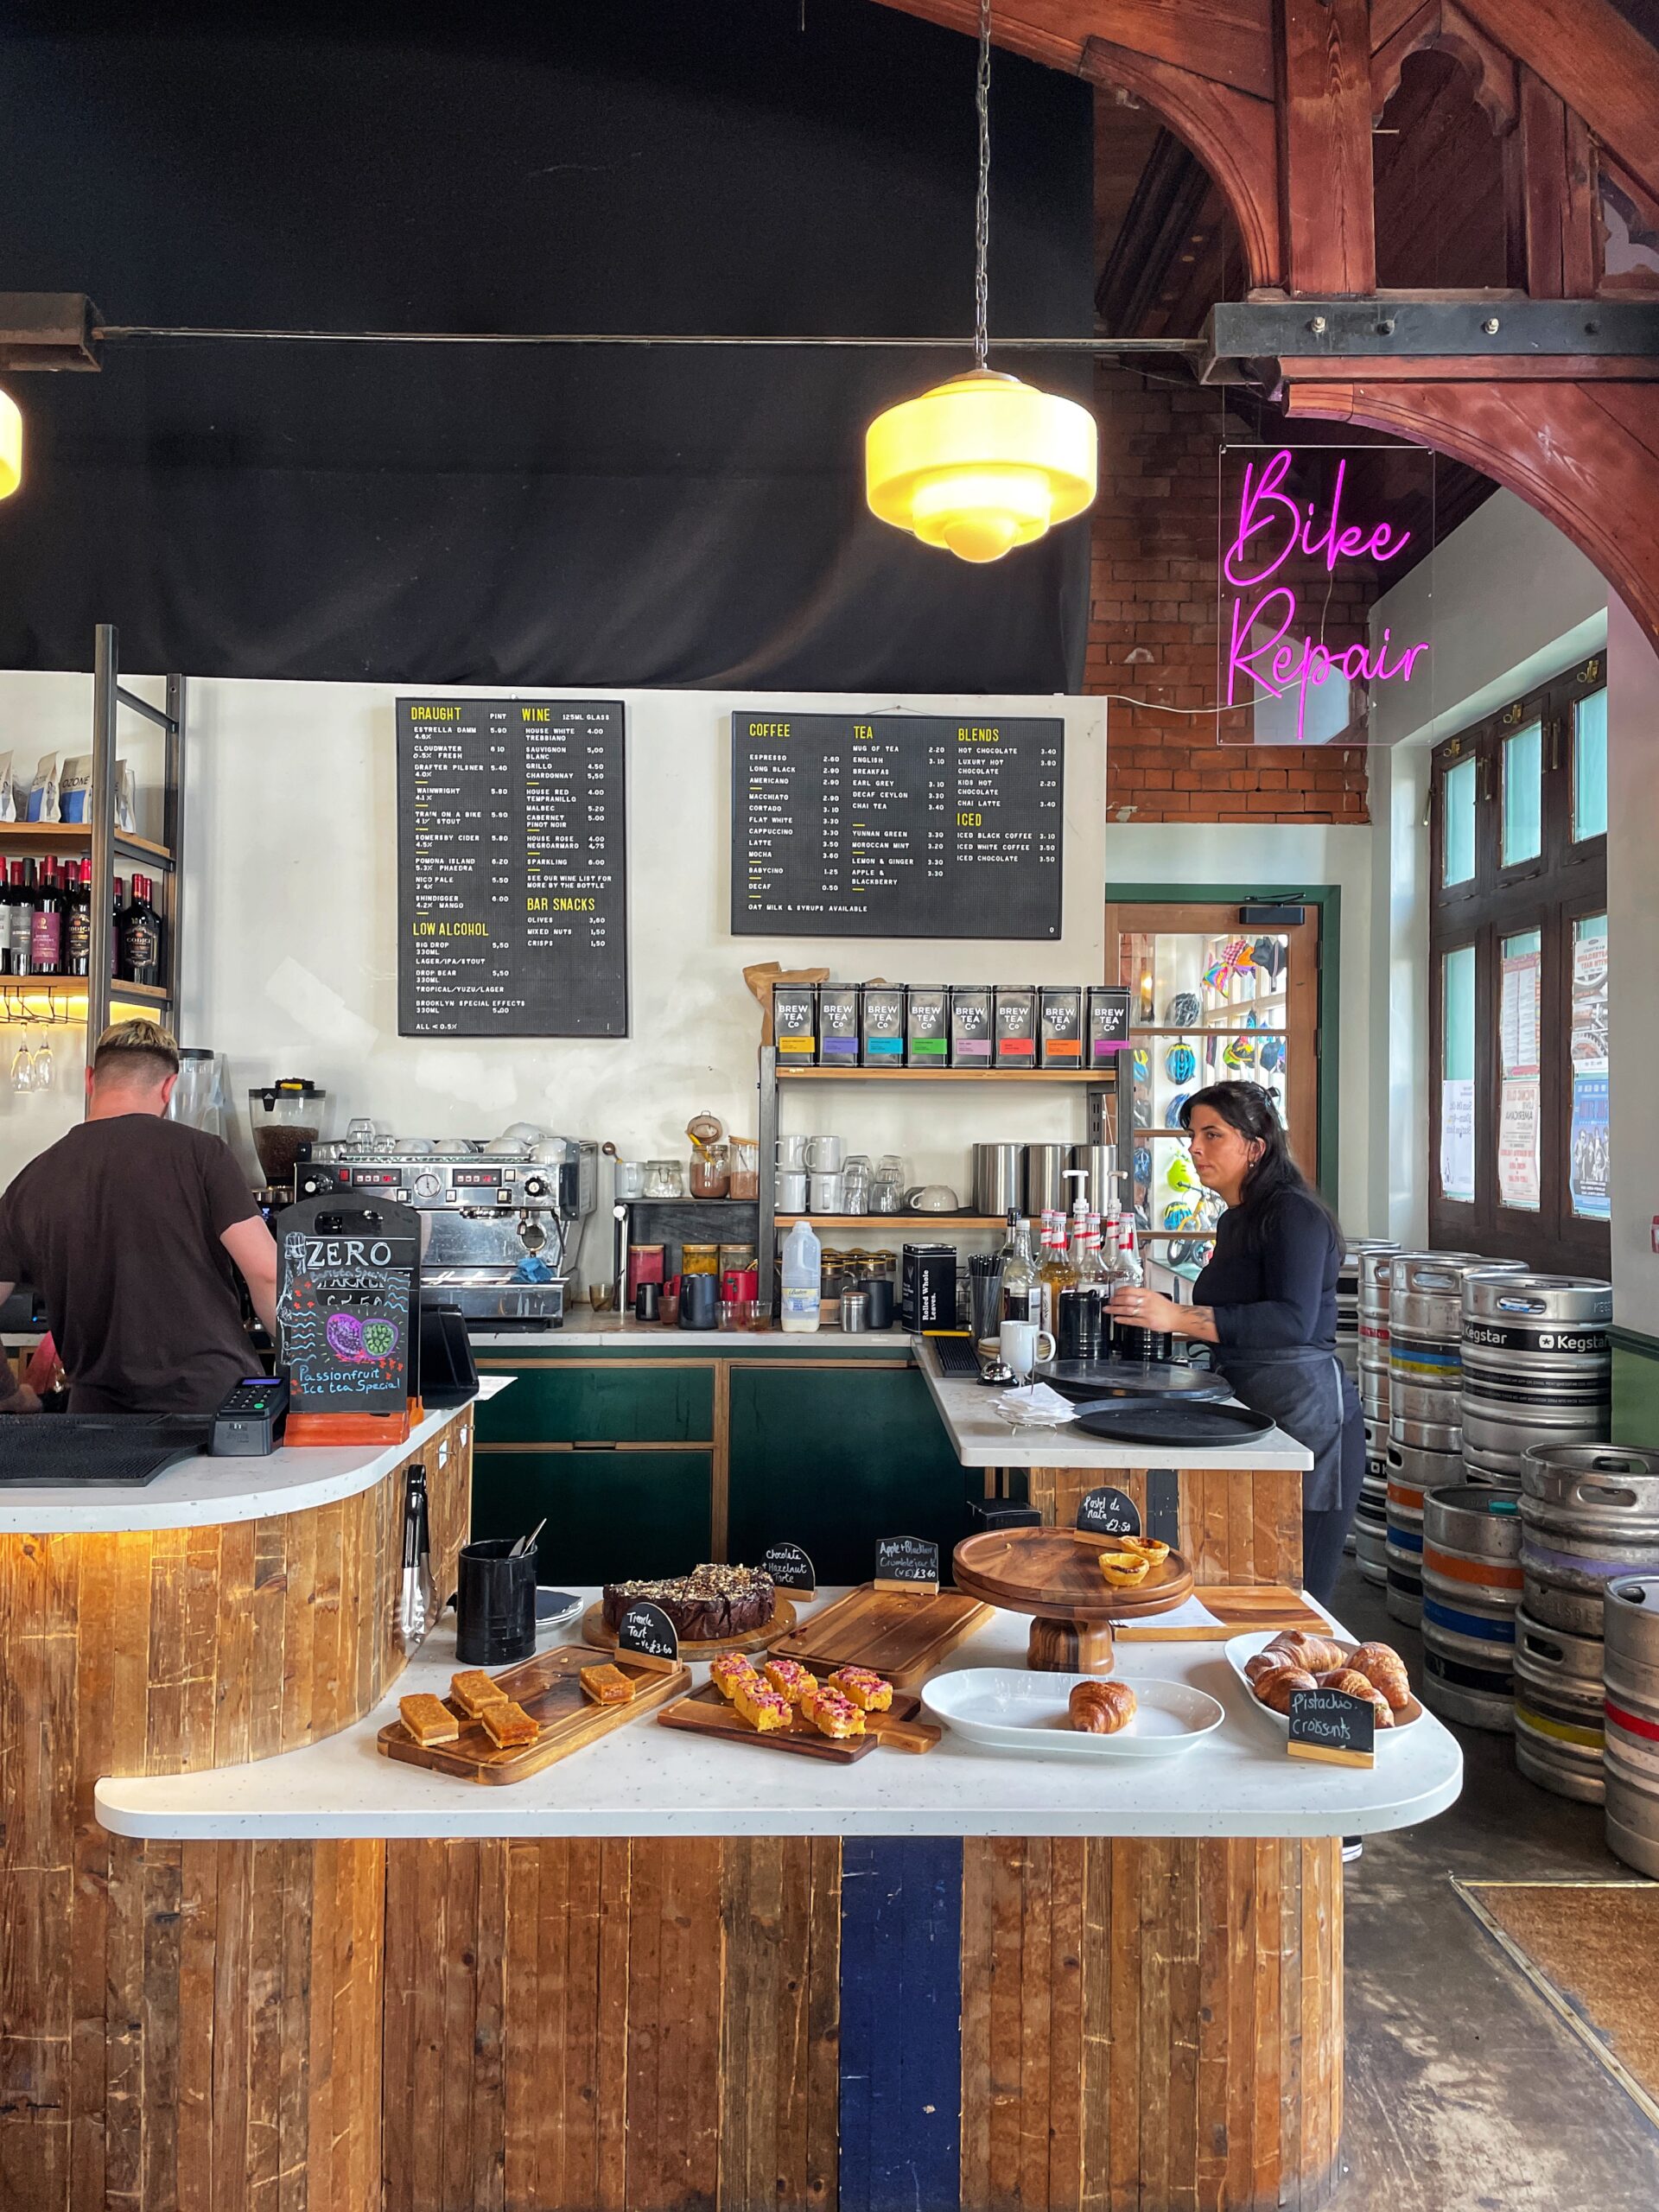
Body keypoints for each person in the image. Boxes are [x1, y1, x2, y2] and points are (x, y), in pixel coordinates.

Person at [1107, 1079, 1363, 1606]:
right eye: (1192, 1134)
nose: (1195, 1148)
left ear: (1255, 1146)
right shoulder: (1236, 1218)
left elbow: (1292, 1321)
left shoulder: (1294, 1214)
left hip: (1307, 1413)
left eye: (1212, 1134)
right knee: (1244, 1576)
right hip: (1250, 1404)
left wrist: (1178, 1318)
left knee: (1298, 1596)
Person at [0, 1019, 279, 1414]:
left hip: (96, 1421)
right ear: (170, 1086)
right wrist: (314, 1378)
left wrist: (8, 1396)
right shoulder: (202, 1155)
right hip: (211, 1410)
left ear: (90, 1079)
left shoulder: (32, 1179)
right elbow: (266, 1273)